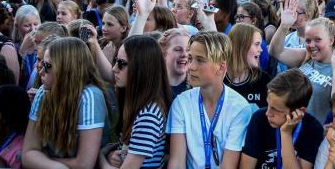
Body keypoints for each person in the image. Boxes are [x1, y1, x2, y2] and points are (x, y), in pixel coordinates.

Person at [167, 31, 253, 169]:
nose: (191, 67)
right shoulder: (181, 103)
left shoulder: (239, 108)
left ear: (221, 67)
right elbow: (177, 162)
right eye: (190, 59)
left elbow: (228, 166)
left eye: (200, 60)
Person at [22, 37, 109, 168]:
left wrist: (45, 158)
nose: (40, 71)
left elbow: (84, 164)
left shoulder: (90, 96)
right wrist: (55, 166)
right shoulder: (43, 91)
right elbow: (28, 153)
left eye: (47, 66)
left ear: (67, 68)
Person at [98, 35, 172, 169]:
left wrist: (100, 157)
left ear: (141, 68)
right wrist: (112, 154)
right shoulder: (139, 105)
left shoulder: (148, 115)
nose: (114, 68)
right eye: (115, 61)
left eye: (121, 63)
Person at [240, 68, 324, 169]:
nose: (268, 113)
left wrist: (286, 134)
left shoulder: (313, 129)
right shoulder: (259, 119)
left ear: (300, 111)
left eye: (276, 110)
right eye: (268, 105)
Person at [224, 23, 270, 109]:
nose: (261, 49)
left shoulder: (264, 80)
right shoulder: (218, 78)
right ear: (241, 46)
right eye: (256, 44)